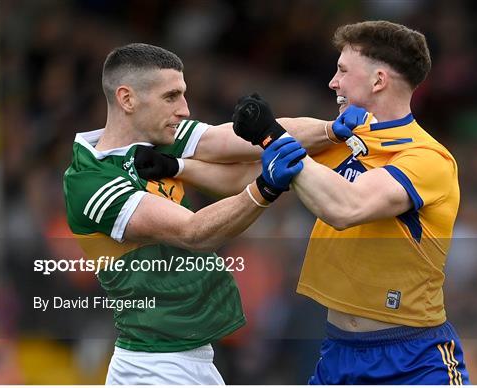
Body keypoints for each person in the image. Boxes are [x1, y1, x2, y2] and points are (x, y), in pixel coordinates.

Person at [63, 43, 328, 385]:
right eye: (171, 96)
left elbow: (234, 141)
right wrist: (265, 188)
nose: (185, 109)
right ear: (127, 99)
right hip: (154, 366)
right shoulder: (90, 180)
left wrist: (337, 131)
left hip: (185, 359)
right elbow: (193, 232)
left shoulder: (158, 139)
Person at [232, 21, 470, 385]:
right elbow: (238, 173)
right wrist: (177, 166)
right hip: (338, 353)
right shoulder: (342, 140)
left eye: (343, 70)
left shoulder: (428, 157)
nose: (333, 82)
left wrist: (272, 136)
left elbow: (346, 208)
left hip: (414, 360)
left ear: (378, 81)